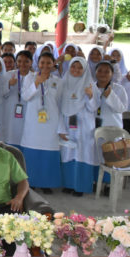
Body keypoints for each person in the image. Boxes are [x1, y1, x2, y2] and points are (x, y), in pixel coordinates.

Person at [19, 52, 63, 193]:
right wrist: (37, 82)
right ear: (37, 64)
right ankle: (30, 182)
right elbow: (25, 96)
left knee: (49, 152)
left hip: (51, 122)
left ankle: (46, 184)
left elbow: (61, 104)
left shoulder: (58, 81)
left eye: (48, 63)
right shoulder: (29, 78)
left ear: (53, 64)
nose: (45, 66)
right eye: (42, 62)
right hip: (33, 121)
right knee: (32, 152)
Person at [58, 57, 95, 197]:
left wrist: (90, 96)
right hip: (67, 124)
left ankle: (80, 186)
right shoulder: (64, 82)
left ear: (85, 69)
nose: (76, 70)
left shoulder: (90, 84)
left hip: (84, 125)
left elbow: (93, 107)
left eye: (80, 67)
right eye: (74, 67)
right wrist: (61, 128)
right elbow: (59, 106)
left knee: (82, 154)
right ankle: (68, 184)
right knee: (67, 154)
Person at [2, 50, 33, 148]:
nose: (22, 64)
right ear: (16, 62)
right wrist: (9, 85)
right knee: (12, 136)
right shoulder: (8, 75)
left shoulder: (35, 77)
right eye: (19, 61)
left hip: (28, 112)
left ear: (31, 62)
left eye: (26, 61)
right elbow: (2, 93)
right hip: (11, 114)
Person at [91, 61, 127, 129]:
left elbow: (122, 109)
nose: (103, 74)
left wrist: (110, 96)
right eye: (100, 71)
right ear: (95, 72)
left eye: (107, 72)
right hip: (92, 127)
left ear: (112, 74)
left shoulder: (119, 89)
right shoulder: (90, 88)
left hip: (112, 128)